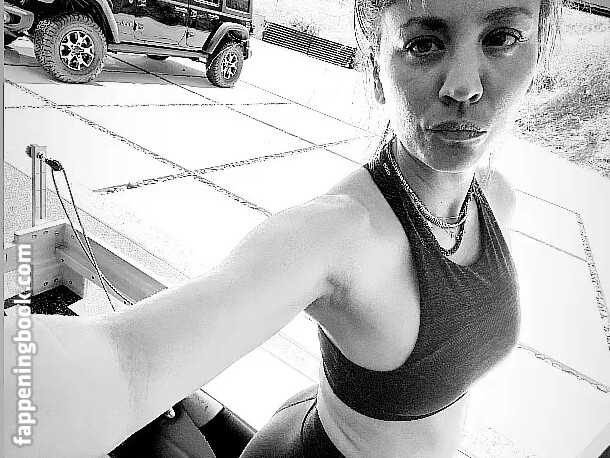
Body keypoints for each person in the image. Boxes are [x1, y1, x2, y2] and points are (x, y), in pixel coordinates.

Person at [3, 0, 563, 456]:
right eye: (423, 44)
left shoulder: (499, 199)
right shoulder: (335, 234)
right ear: (375, 65)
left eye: (502, 38)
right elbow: (126, 363)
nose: (463, 86)